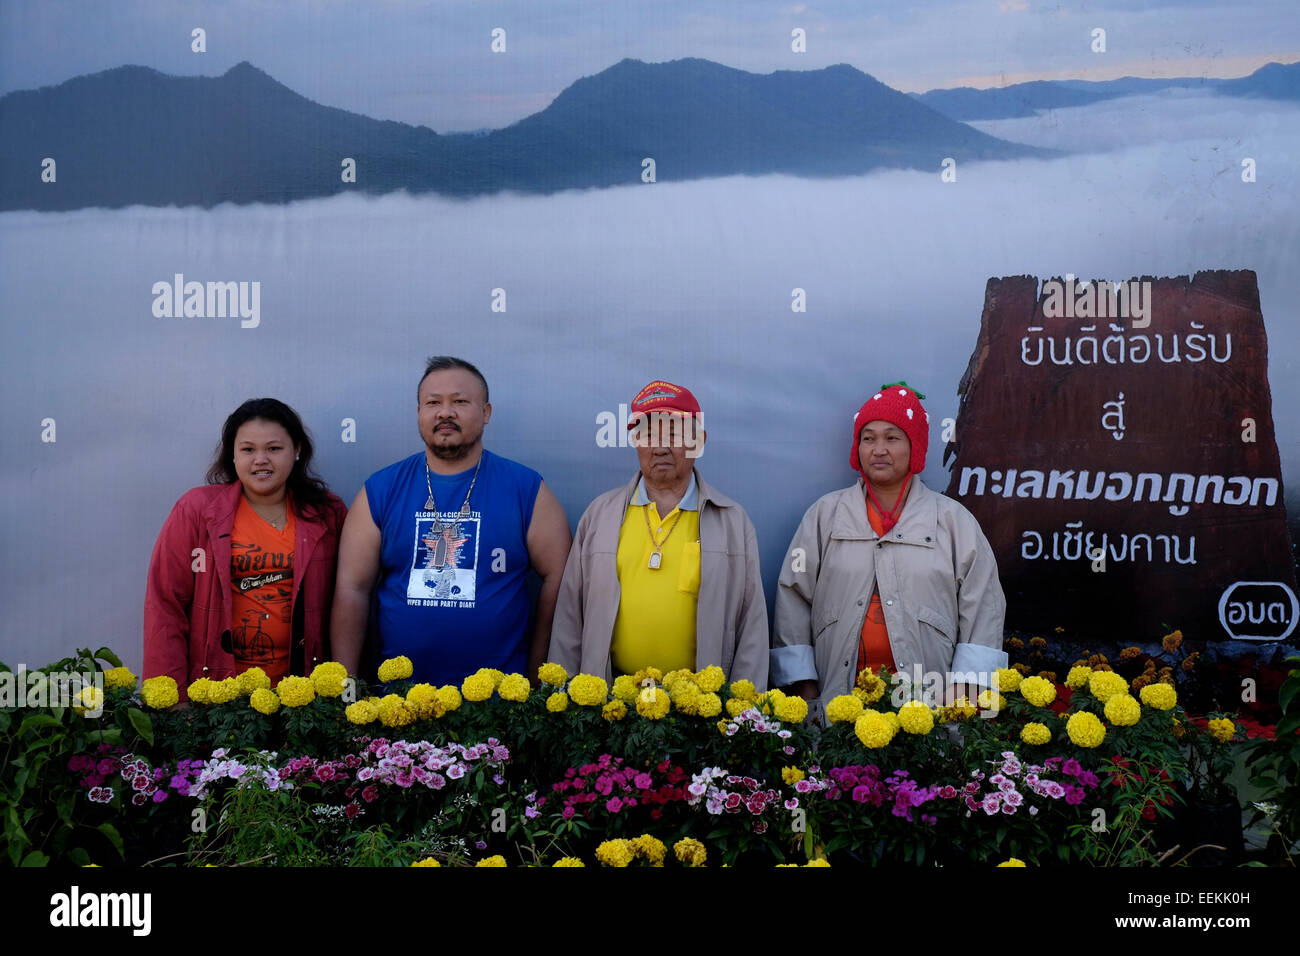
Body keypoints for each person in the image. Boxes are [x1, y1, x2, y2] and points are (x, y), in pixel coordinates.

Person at [331, 356, 571, 685]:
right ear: (419, 413)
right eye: (433, 403)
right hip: (397, 702)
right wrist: (346, 685)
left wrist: (537, 674)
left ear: (486, 413)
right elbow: (352, 589)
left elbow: (560, 579)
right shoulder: (380, 489)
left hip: (498, 702)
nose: (445, 412)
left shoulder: (526, 489)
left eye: (460, 401)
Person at [771, 382, 1006, 714]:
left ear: (915, 448)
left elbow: (983, 607)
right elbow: (793, 596)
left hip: (929, 709)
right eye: (869, 438)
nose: (878, 449)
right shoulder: (824, 516)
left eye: (892, 438)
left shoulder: (954, 522)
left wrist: (963, 689)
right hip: (839, 705)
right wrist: (805, 688)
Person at [551, 380, 768, 686]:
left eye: (674, 434)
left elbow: (752, 627)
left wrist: (744, 712)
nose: (660, 447)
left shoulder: (732, 521)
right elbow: (569, 620)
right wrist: (564, 698)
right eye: (649, 434)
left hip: (700, 710)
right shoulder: (600, 515)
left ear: (699, 441)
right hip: (612, 706)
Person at [144, 398, 348, 699]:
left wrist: (345, 691)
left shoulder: (327, 513)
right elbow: (165, 605)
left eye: (274, 449)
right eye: (248, 449)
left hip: (302, 698)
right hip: (215, 695)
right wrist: (173, 698)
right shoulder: (198, 510)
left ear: (297, 450)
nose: (260, 459)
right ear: (233, 455)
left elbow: (353, 601)